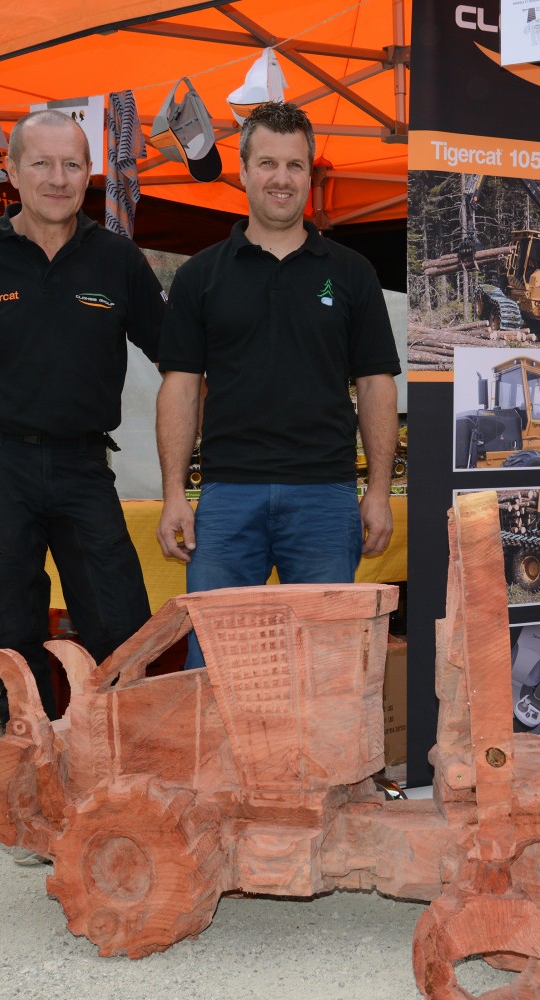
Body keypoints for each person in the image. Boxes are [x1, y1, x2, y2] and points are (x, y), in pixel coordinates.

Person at [0, 109, 165, 743]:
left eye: (73, 164)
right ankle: (31, 778)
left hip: (85, 465)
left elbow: (182, 358)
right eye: (42, 163)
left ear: (89, 172)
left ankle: (121, 772)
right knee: (15, 633)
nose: (58, 178)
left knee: (120, 623)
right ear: (12, 170)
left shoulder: (118, 261)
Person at [156, 101, 400, 667]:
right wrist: (175, 495)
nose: (281, 178)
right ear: (242, 171)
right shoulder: (201, 275)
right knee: (217, 662)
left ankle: (324, 763)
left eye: (295, 165)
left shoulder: (351, 272)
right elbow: (180, 388)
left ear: (310, 175)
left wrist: (379, 491)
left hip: (325, 496)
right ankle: (222, 760)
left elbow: (377, 385)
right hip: (225, 497)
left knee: (329, 665)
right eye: (267, 163)